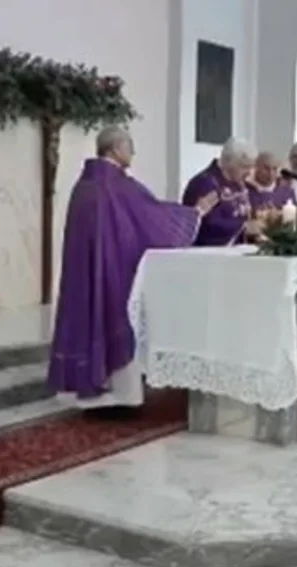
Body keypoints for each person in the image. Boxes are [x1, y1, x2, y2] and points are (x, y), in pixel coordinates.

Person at [49, 126, 217, 416]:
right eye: (130, 146)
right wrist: (195, 213)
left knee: (90, 318)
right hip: (115, 273)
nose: (133, 153)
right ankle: (118, 399)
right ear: (115, 149)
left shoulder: (84, 185)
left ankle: (90, 394)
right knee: (116, 319)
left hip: (86, 273)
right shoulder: (117, 185)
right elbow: (152, 218)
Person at [182, 138, 261, 246]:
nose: (248, 172)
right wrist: (243, 227)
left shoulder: (239, 183)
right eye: (244, 166)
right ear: (228, 161)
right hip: (209, 255)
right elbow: (206, 225)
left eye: (251, 166)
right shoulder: (204, 183)